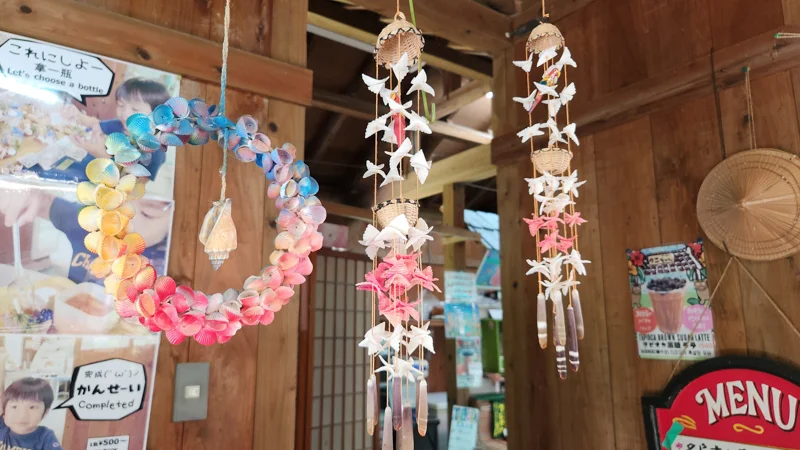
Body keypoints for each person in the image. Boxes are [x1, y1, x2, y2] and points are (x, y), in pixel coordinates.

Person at [30, 77, 171, 183]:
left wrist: (101, 154)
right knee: (37, 167)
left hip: (103, 185)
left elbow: (135, 185)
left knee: (51, 176)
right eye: (121, 105)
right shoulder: (120, 125)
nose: (124, 113)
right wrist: (76, 114)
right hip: (88, 165)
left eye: (135, 109)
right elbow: (95, 124)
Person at [0, 377, 62, 450]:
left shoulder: (46, 438)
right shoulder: (2, 427)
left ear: (45, 412)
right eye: (14, 407)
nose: (22, 415)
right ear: (4, 412)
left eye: (32, 407)